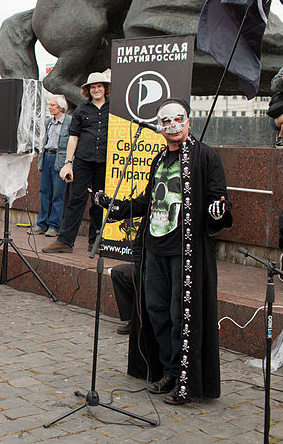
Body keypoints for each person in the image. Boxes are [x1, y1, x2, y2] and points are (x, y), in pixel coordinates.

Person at [94, 98, 232, 405]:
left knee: (179, 314)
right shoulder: (159, 159)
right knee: (156, 312)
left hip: (184, 252)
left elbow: (218, 202)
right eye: (165, 121)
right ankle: (169, 370)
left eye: (177, 119)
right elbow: (147, 201)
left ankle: (185, 382)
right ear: (159, 126)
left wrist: (216, 210)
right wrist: (116, 208)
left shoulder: (205, 157)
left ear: (188, 121)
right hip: (153, 248)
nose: (172, 126)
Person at [43, 71, 110, 254]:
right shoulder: (81, 109)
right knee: (76, 201)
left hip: (104, 162)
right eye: (93, 87)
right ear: (88, 90)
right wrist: (68, 163)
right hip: (82, 161)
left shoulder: (114, 109)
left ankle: (94, 242)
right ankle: (65, 241)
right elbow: (73, 138)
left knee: (99, 202)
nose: (96, 90)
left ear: (105, 89)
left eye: (99, 86)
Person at [29, 95, 71, 238]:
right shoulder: (48, 122)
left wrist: (69, 164)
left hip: (60, 160)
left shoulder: (69, 122)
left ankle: (54, 226)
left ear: (60, 108)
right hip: (47, 157)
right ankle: (42, 224)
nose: (50, 107)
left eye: (52, 105)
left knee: (58, 194)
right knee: (44, 191)